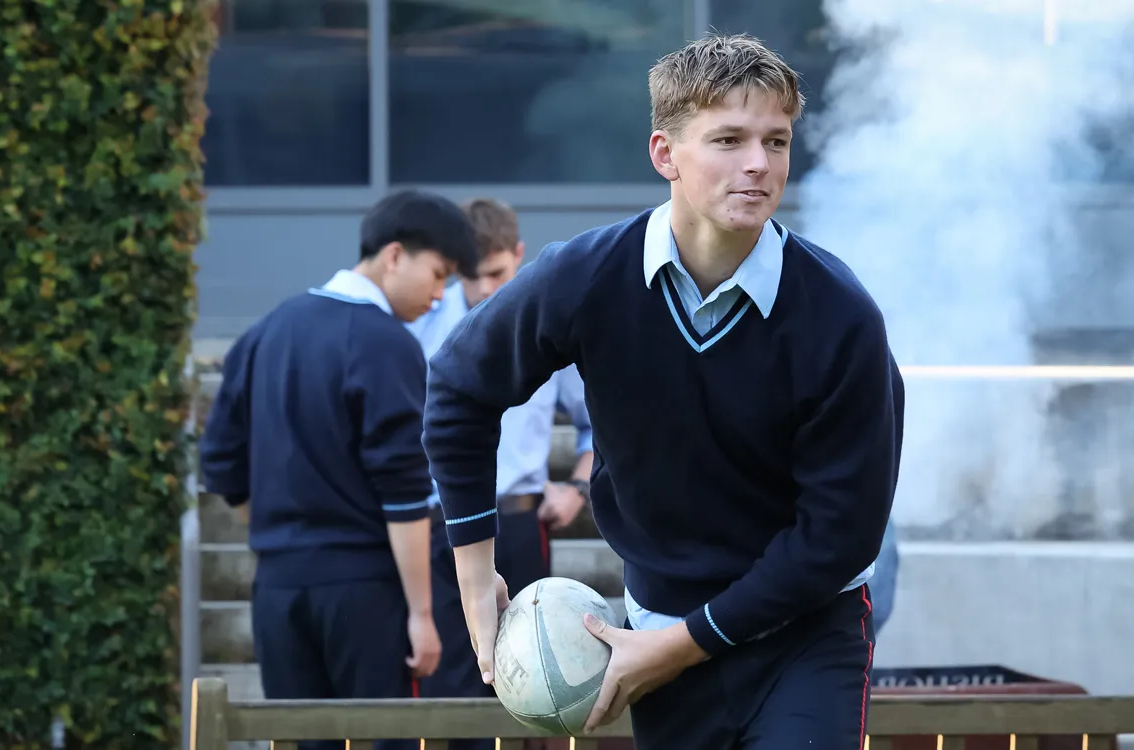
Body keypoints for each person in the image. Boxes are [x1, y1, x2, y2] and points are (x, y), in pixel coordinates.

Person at [420, 33, 905, 750]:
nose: (758, 164)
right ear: (664, 154)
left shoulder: (840, 315)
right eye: (729, 139)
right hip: (655, 620)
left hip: (807, 631)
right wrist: (475, 575)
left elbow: (841, 536)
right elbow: (459, 388)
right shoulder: (583, 278)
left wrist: (681, 644)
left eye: (776, 141)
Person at [198, 189, 479, 750]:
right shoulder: (385, 343)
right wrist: (423, 615)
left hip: (278, 589)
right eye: (439, 273)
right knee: (383, 740)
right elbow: (403, 492)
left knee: (303, 742)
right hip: (365, 592)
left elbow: (222, 465)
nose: (440, 294)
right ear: (394, 255)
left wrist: (286, 532)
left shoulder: (265, 332)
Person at [406, 197, 595, 750]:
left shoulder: (542, 329)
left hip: (517, 524)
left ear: (518, 255)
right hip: (438, 531)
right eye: (471, 276)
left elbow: (595, 426)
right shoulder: (424, 330)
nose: (486, 289)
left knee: (533, 686)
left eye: (496, 274)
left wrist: (578, 488)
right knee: (445, 691)